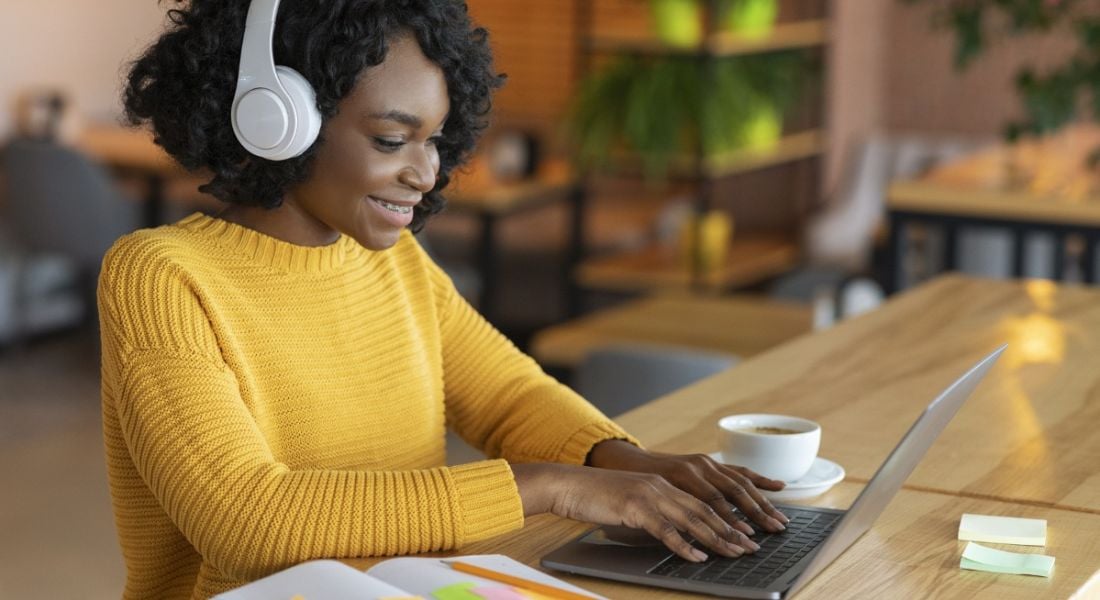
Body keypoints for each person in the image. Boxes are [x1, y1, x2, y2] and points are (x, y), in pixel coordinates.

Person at [99, 1, 789, 597]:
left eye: (434, 141)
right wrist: (552, 487)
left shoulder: (394, 261)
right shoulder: (160, 276)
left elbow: (509, 396)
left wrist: (627, 464)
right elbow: (247, 517)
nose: (426, 173)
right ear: (275, 119)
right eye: (393, 140)